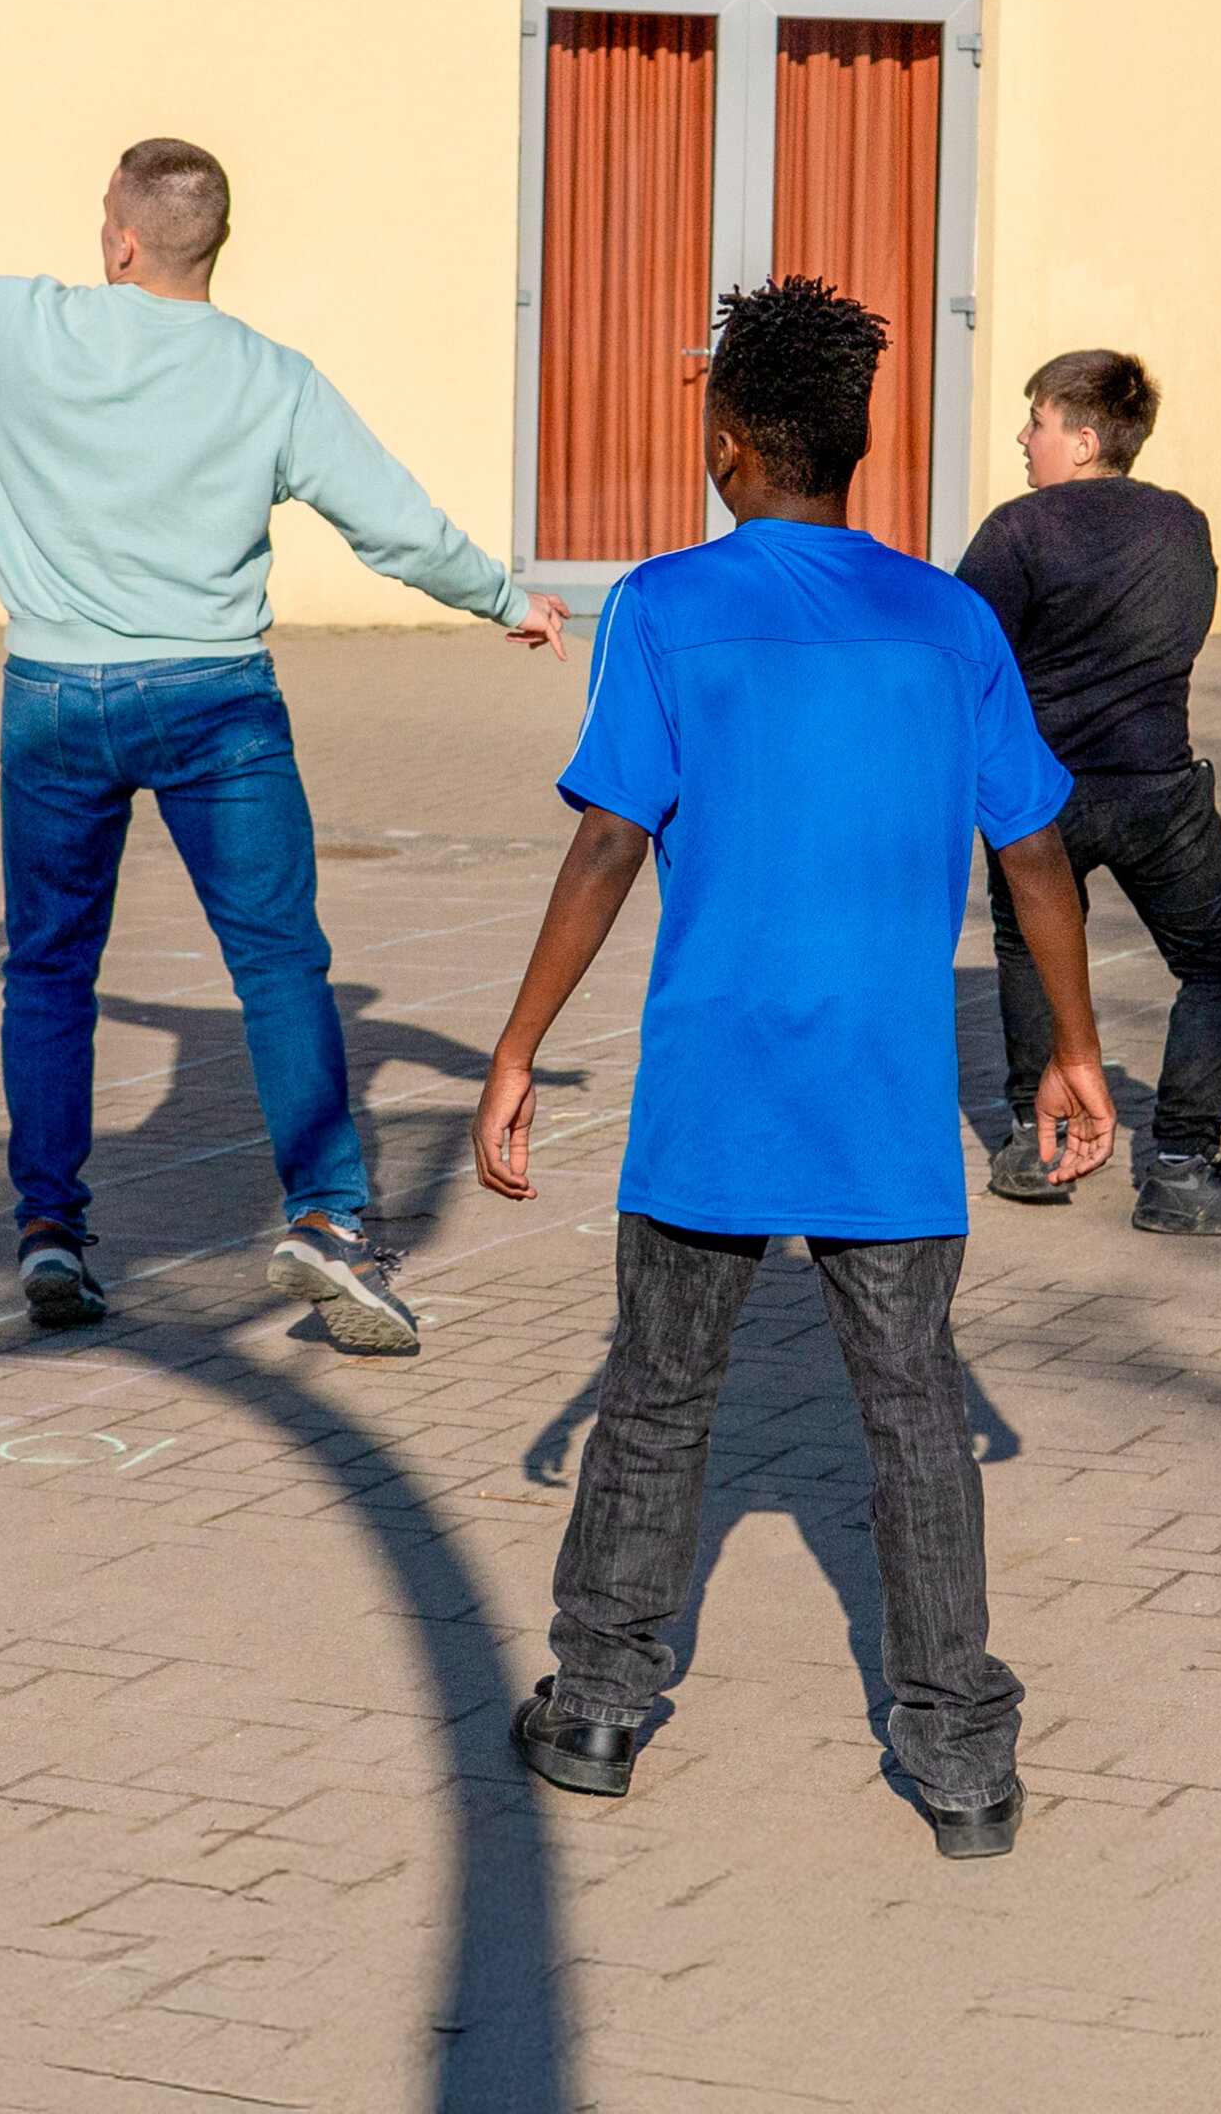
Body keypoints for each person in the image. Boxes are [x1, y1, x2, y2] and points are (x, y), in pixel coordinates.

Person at [0, 117, 569, 1354]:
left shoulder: (17, 329)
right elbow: (391, 520)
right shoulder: (268, 374)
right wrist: (505, 599)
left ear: (122, 240)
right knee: (280, 967)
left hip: (57, 701)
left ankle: (51, 1234)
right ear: (210, 248)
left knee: (53, 971)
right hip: (216, 702)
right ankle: (331, 1223)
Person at [470, 277, 1117, 1858]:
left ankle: (604, 1706)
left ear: (734, 446)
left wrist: (515, 1052)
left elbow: (611, 839)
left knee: (655, 1401)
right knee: (915, 1421)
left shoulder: (667, 606)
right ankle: (961, 1759)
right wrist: (1079, 1054)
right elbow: (1034, 851)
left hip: (714, 1093)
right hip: (886, 1108)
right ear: (859, 451)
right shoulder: (949, 620)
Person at [956, 352, 1221, 1236]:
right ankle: (1182, 1166)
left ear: (1085, 438)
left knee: (1031, 948)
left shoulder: (1017, 531)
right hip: (1158, 789)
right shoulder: (1182, 525)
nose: (1023, 439)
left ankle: (1038, 1144)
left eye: (1036, 421)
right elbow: (1188, 630)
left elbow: (961, 653)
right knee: (1220, 963)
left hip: (1037, 799)